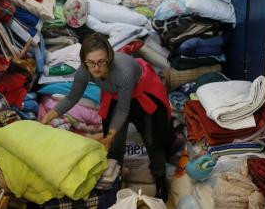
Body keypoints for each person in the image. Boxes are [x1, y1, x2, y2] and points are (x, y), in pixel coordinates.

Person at [41, 33, 172, 201]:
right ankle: (114, 183)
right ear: (84, 61)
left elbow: (123, 110)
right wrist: (48, 118)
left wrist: (108, 136)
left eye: (101, 62)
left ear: (109, 58)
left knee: (153, 141)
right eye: (91, 63)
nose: (96, 68)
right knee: (115, 147)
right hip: (116, 98)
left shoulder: (123, 71)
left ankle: (161, 180)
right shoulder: (85, 70)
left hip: (143, 97)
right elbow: (72, 97)